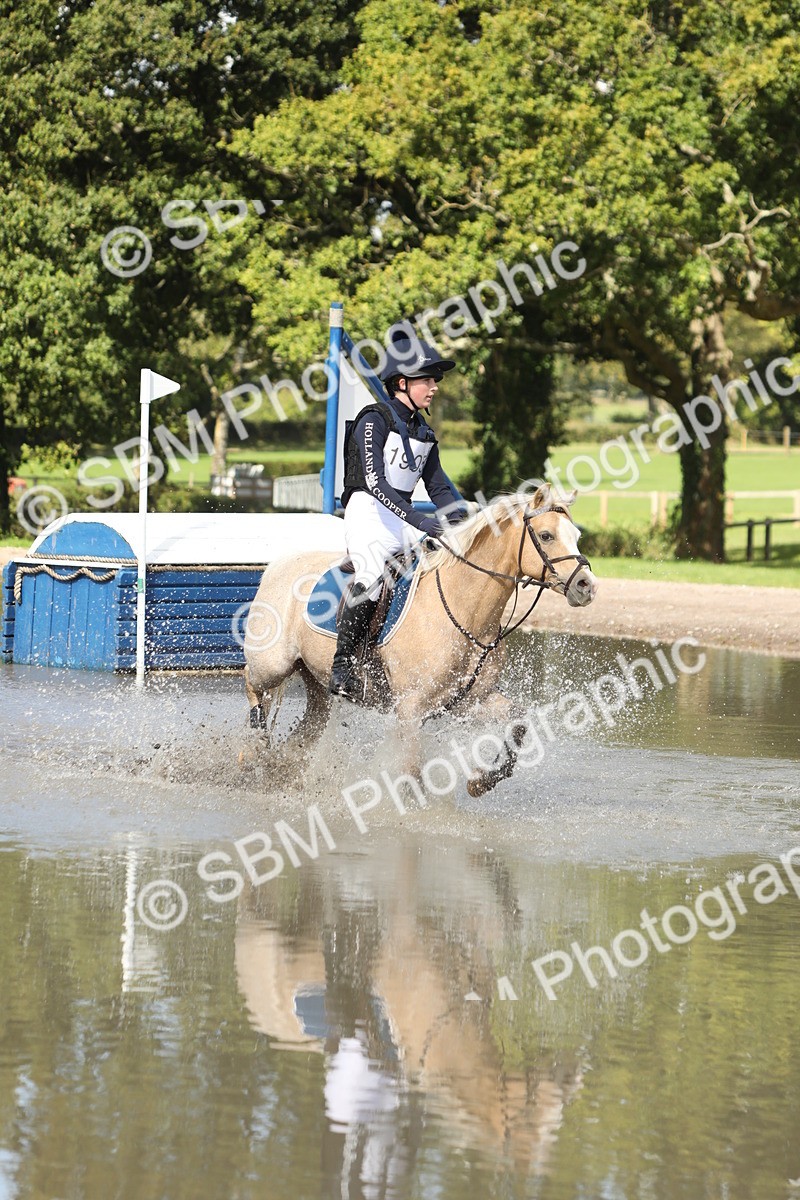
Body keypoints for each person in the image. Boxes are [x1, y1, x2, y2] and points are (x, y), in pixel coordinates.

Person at [329, 338, 467, 700]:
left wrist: (464, 528)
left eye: (435, 380)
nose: (434, 387)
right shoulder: (373, 420)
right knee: (373, 575)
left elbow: (439, 490)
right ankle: (342, 666)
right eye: (427, 379)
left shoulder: (424, 433)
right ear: (401, 383)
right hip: (367, 511)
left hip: (402, 517)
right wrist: (422, 523)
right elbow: (376, 485)